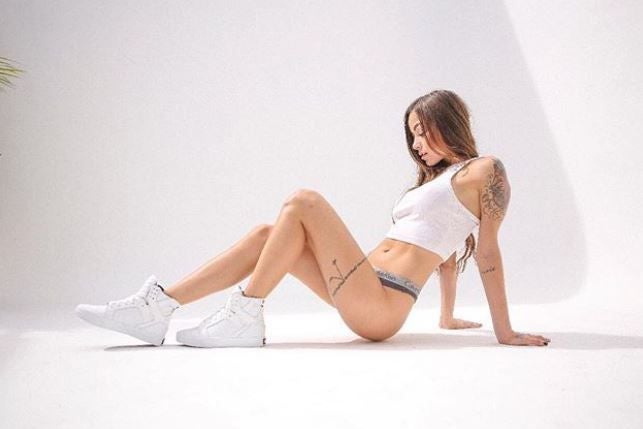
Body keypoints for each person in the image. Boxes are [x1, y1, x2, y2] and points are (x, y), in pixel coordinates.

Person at [75, 89, 551, 348]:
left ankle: (246, 313)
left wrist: (504, 332)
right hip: (363, 284)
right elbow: (444, 253)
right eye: (412, 135)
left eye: (423, 132)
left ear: (448, 123)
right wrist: (445, 318)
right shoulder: (435, 182)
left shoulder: (485, 171)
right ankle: (157, 310)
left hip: (382, 304)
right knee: (266, 234)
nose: (417, 144)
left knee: (304, 201)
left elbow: (487, 251)